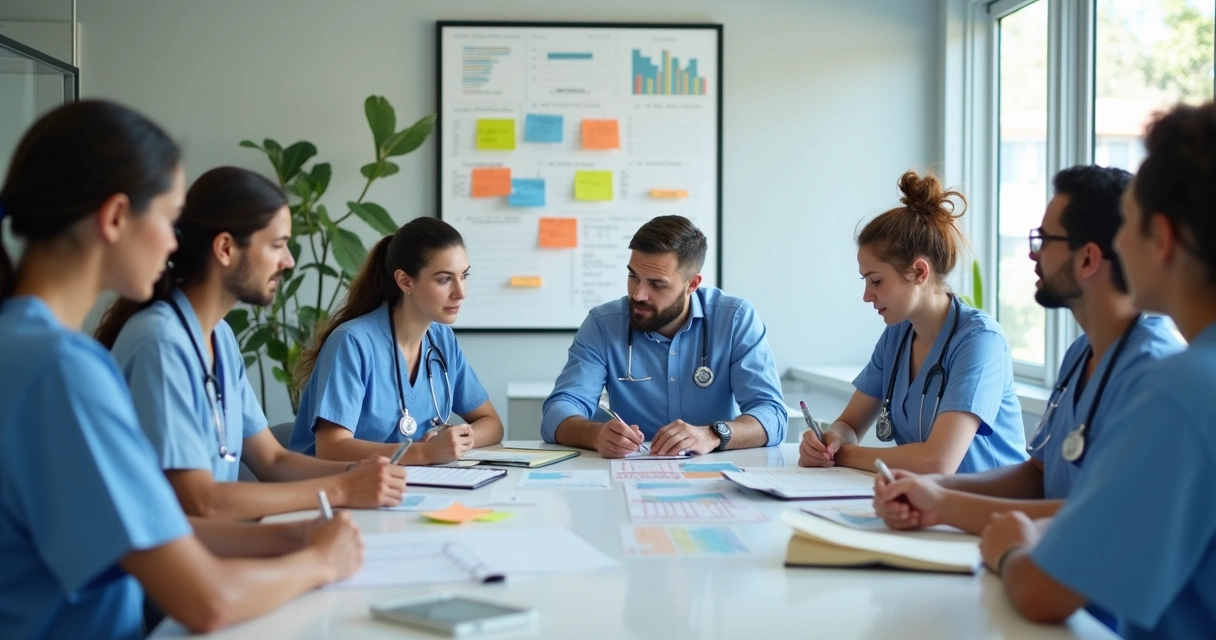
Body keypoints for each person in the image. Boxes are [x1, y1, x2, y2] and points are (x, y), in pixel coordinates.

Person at [0, 100, 362, 638]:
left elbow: (149, 531)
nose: (175, 243)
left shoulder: (24, 345)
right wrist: (321, 561)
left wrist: (295, 537)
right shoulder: (64, 371)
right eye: (169, 220)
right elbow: (207, 602)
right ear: (115, 218)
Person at [873, 165, 1183, 631]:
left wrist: (943, 504)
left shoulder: (1155, 373)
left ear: (1087, 259)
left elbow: (1102, 514)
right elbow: (1038, 474)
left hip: (1096, 615)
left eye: (1044, 240)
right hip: (1039, 582)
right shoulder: (1083, 352)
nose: (1032, 255)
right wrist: (934, 490)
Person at [979, 102, 1216, 638]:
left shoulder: (1180, 389)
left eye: (1128, 224)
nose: (1118, 245)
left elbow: (1043, 591)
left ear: (1163, 237)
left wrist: (1011, 548)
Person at [93, 166, 406, 521]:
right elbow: (200, 502)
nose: (288, 261)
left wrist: (362, 474)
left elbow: (273, 461)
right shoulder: (161, 344)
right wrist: (343, 489)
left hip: (215, 540)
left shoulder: (221, 337)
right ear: (225, 248)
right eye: (277, 245)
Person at [800, 171, 1025, 474]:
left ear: (919, 272)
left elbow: (939, 462)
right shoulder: (897, 335)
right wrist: (830, 442)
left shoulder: (981, 341)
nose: (866, 296)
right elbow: (849, 424)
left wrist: (844, 456)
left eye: (876, 281)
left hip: (989, 501)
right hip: (927, 497)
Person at [542, 215, 787, 458]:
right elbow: (557, 412)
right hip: (630, 469)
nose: (638, 294)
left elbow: (772, 415)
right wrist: (596, 435)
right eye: (633, 276)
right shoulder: (603, 324)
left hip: (711, 469)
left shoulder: (734, 319)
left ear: (692, 285)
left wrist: (711, 435)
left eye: (657, 284)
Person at [290, 217, 503, 463]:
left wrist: (457, 440)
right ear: (405, 281)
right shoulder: (352, 342)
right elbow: (331, 449)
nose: (460, 292)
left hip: (411, 479)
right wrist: (425, 452)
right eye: (444, 279)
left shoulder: (442, 341)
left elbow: (491, 423)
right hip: (336, 482)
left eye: (464, 276)